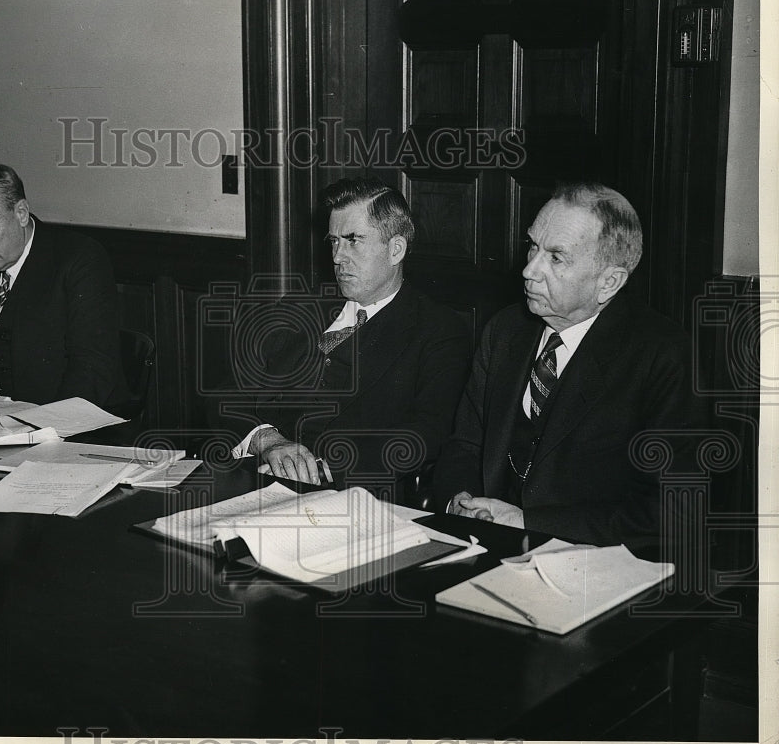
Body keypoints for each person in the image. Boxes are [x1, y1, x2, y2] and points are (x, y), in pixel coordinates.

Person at [433, 182, 701, 551]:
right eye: (532, 246)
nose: (529, 270)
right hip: (486, 546)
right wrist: (459, 502)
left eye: (555, 257)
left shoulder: (662, 356)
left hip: (593, 566)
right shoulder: (505, 331)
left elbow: (666, 512)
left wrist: (526, 522)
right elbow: (465, 444)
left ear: (609, 282)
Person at [223, 177, 470, 494]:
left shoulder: (438, 331)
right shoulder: (301, 307)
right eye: (334, 241)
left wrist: (324, 469)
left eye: (353, 240)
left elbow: (428, 433)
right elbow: (228, 390)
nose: (338, 256)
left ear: (395, 249)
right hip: (253, 482)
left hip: (356, 498)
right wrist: (266, 439)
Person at [0, 163, 129, 409]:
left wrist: (44, 431)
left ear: (20, 212)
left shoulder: (79, 259)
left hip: (61, 430)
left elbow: (92, 372)